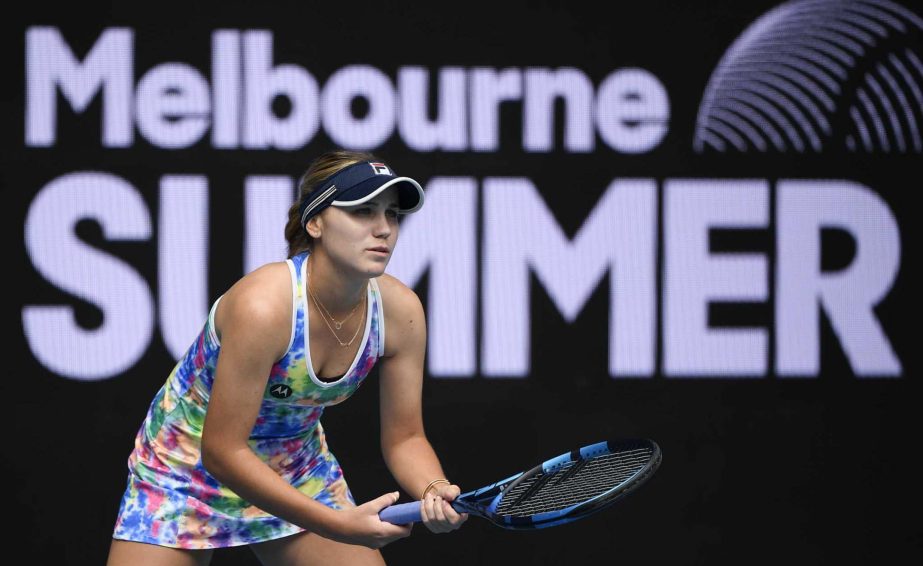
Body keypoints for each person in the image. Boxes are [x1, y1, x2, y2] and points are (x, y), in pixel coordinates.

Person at [107, 149, 467, 566]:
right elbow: (222, 451)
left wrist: (432, 487)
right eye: (362, 211)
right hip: (184, 473)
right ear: (315, 222)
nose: (383, 229)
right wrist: (336, 525)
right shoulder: (263, 307)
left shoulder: (400, 311)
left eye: (391, 214)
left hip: (296, 469)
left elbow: (406, 438)